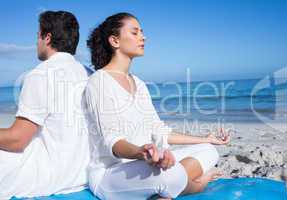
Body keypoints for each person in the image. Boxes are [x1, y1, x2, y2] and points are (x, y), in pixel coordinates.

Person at [85, 12, 230, 200]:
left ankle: (162, 190)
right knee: (173, 174)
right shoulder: (99, 82)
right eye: (135, 33)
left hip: (147, 164)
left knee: (208, 150)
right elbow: (111, 141)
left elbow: (158, 130)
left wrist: (205, 138)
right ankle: (197, 185)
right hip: (111, 174)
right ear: (115, 41)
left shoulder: (138, 83)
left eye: (142, 33)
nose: (143, 37)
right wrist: (141, 152)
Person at [0, 11, 90, 199]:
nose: (36, 43)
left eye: (38, 36)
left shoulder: (40, 74)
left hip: (50, 175)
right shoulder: (89, 73)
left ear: (47, 38)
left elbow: (18, 140)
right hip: (82, 174)